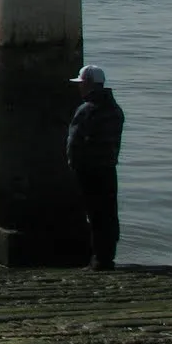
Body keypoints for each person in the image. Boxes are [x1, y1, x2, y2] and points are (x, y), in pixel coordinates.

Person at [67, 64, 125, 270]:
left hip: (89, 170)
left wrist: (73, 166)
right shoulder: (115, 110)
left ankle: (98, 260)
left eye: (81, 84)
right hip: (109, 168)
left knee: (94, 214)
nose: (79, 88)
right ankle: (107, 257)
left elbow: (74, 143)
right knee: (108, 214)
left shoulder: (86, 110)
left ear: (89, 84)